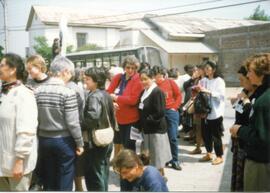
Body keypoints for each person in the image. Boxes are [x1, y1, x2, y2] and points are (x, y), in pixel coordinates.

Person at [34, 56, 84, 191]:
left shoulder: (38, 91)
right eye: (71, 74)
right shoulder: (68, 93)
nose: (71, 77)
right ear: (65, 72)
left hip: (44, 140)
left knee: (49, 180)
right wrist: (79, 143)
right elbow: (73, 123)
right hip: (64, 141)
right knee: (65, 179)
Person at [230, 53, 270, 191]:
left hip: (260, 160)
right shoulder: (261, 94)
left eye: (250, 71)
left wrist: (239, 130)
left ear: (262, 74)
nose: (248, 75)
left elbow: (262, 137)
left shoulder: (263, 100)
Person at [0, 53, 38, 191]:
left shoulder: (24, 94)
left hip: (17, 164)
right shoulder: (4, 93)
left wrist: (19, 161)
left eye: (2, 65)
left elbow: (26, 131)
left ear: (13, 69)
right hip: (3, 162)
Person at [83, 67, 116, 191]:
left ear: (96, 81)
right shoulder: (106, 94)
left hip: (95, 142)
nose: (85, 81)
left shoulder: (94, 96)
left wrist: (78, 125)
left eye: (87, 79)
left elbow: (92, 118)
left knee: (95, 175)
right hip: (107, 139)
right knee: (103, 172)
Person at [138, 68, 172, 178]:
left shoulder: (157, 92)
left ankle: (161, 180)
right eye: (141, 79)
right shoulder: (144, 91)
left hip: (156, 130)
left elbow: (160, 112)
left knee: (158, 159)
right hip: (147, 130)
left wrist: (147, 120)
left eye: (145, 79)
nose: (143, 82)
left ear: (152, 78)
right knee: (150, 158)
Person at [107, 56, 143, 151]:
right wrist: (112, 103)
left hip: (133, 120)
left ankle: (133, 165)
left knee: (131, 147)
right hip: (119, 118)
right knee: (123, 144)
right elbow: (107, 93)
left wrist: (116, 97)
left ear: (136, 68)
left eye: (133, 68)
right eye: (128, 67)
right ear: (124, 67)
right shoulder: (118, 78)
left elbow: (133, 100)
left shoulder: (138, 79)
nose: (130, 70)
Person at [230, 65, 256, 191]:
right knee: (237, 174)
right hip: (238, 140)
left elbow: (251, 117)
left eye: (242, 80)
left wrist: (245, 101)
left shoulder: (256, 96)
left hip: (247, 142)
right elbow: (239, 111)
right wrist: (236, 102)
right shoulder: (244, 92)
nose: (240, 83)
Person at [152, 65, 182, 170]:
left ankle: (175, 160)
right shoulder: (153, 86)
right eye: (156, 76)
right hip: (158, 113)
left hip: (171, 112)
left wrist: (174, 107)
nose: (158, 78)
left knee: (172, 137)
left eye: (160, 76)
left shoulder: (170, 82)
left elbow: (179, 95)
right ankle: (165, 159)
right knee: (161, 138)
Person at [198, 60, 225, 165]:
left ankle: (219, 156)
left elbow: (221, 95)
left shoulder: (219, 81)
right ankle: (209, 153)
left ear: (214, 70)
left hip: (215, 112)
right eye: (205, 68)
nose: (206, 70)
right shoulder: (203, 80)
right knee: (205, 134)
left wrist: (208, 92)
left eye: (208, 68)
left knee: (216, 135)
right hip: (204, 111)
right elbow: (199, 90)